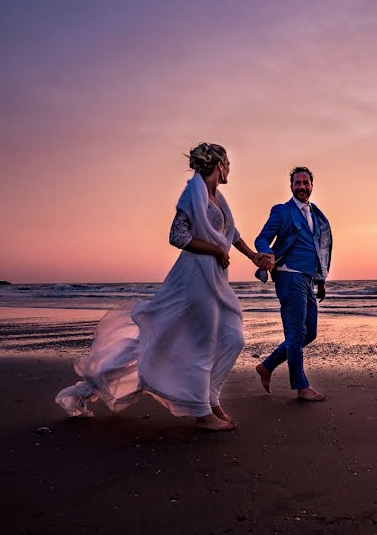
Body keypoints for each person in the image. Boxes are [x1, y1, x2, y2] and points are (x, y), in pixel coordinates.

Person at [55, 142, 271, 431]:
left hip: (215, 279)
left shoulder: (218, 198)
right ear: (219, 164)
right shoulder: (191, 193)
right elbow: (177, 236)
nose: (230, 168)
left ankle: (211, 397)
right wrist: (214, 251)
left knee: (233, 338)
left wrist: (253, 256)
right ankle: (202, 413)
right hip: (194, 276)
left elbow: (232, 234)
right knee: (201, 344)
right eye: (228, 163)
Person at [254, 166, 333, 401]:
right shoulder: (282, 211)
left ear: (312, 186)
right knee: (296, 332)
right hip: (289, 275)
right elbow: (262, 238)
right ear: (291, 186)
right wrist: (266, 253)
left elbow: (319, 249)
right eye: (297, 183)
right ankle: (301, 387)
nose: (302, 187)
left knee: (309, 332)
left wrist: (320, 281)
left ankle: (267, 365)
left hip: (307, 278)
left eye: (305, 183)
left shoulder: (316, 215)